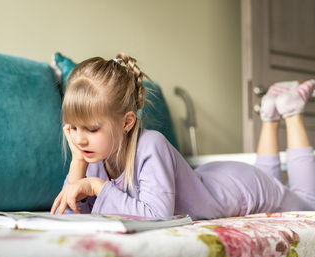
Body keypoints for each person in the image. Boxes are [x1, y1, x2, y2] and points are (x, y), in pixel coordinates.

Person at [50, 53, 315, 220]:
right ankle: (269, 113)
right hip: (210, 178)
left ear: (127, 122)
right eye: (73, 127)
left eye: (91, 129)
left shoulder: (151, 144)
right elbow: (70, 214)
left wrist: (96, 186)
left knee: (306, 203)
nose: (79, 139)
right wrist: (78, 165)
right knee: (277, 183)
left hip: (237, 187)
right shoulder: (93, 154)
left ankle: (290, 111)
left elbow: (157, 215)